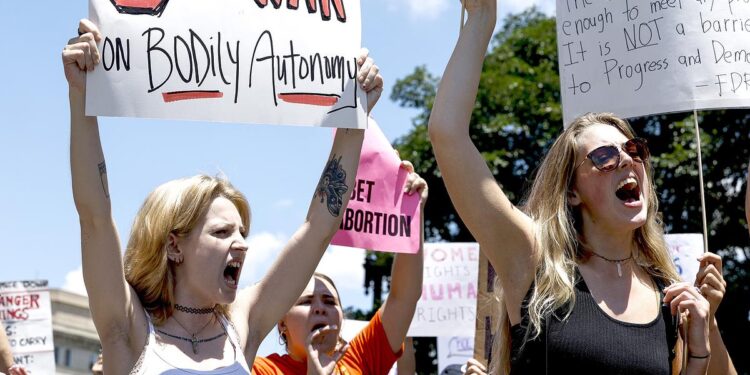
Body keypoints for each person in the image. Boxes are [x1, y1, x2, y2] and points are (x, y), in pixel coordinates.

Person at [63, 19, 383, 374]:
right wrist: (80, 96)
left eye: (242, 232)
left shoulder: (243, 325)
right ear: (174, 246)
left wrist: (355, 121)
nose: (242, 244)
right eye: (222, 232)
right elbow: (94, 214)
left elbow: (319, 227)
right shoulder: (129, 328)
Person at [427, 0, 718, 374]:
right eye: (603, 157)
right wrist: (482, 17)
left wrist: (697, 354)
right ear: (571, 192)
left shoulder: (669, 294)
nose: (628, 160)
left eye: (633, 149)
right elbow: (447, 134)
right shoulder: (534, 263)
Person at [252, 161, 428, 375]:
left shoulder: (361, 358)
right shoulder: (259, 370)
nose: (320, 308)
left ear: (341, 317)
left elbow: (404, 296)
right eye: (306, 302)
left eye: (329, 301)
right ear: (281, 323)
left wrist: (412, 211)